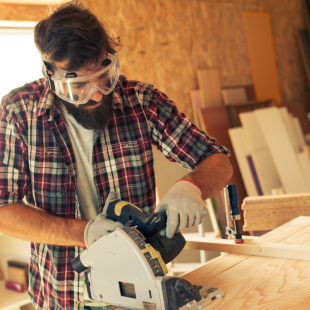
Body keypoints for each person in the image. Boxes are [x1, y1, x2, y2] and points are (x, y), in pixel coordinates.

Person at [0, 1, 232, 309]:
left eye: (104, 76)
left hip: (140, 290)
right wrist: (84, 232)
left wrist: (192, 186)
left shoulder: (142, 101)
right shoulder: (19, 113)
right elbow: (3, 209)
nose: (96, 93)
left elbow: (218, 160)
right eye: (79, 85)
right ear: (50, 74)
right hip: (62, 294)